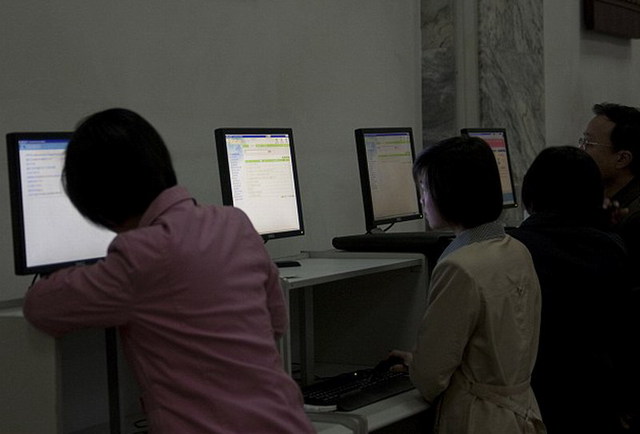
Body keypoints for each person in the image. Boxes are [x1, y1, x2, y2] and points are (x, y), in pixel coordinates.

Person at [22, 108, 314, 434]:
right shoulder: (236, 223)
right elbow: (276, 322)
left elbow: (41, 307)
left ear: (96, 200)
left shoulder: (139, 254)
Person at [391, 136, 545, 433]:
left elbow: (430, 378)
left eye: (424, 188)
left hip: (478, 417)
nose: (422, 200)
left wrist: (419, 367)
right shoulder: (516, 250)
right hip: (520, 410)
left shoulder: (459, 266)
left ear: (448, 192)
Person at [509, 146, 637, 433]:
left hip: (536, 401)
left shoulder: (515, 250)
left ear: (530, 194)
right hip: (598, 399)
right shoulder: (611, 247)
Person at [580, 102, 640, 271]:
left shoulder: (634, 219)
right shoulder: (594, 199)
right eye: (582, 141)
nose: (580, 150)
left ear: (622, 159)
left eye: (588, 143)